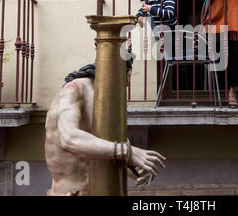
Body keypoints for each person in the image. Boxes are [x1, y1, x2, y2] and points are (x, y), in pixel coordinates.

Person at [45, 60, 166, 196]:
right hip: (69, 192)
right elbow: (68, 139)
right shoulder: (74, 89)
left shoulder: (107, 101)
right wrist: (127, 151)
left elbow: (115, 155)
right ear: (127, 75)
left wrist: (139, 169)